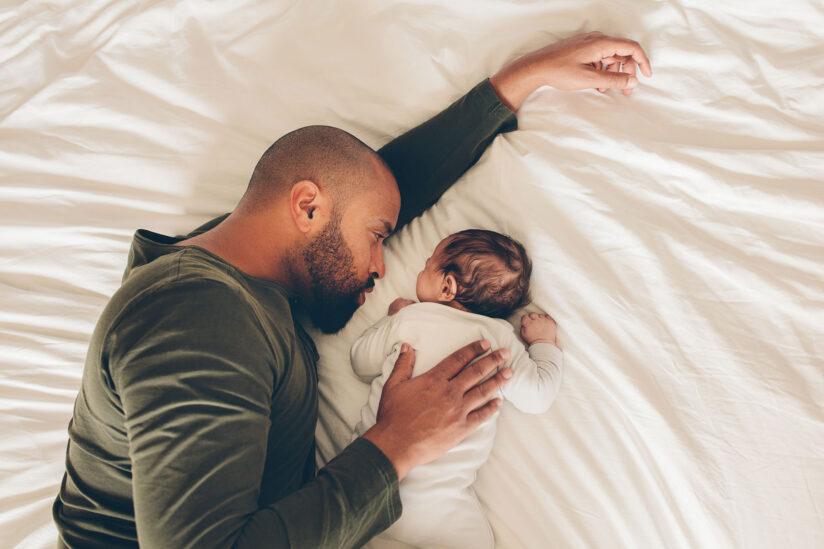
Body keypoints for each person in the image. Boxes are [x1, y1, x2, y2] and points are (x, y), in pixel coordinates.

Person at [52, 31, 652, 548]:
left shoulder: (230, 280)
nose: (380, 264)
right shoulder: (195, 315)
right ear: (306, 207)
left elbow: (375, 182)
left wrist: (518, 82)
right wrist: (394, 445)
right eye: (378, 237)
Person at [350, 229, 562, 549]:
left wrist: (389, 319)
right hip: (438, 503)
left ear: (447, 286)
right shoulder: (500, 340)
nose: (420, 270)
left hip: (367, 485)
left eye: (427, 265)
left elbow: (360, 363)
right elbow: (538, 396)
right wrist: (545, 344)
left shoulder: (410, 318)